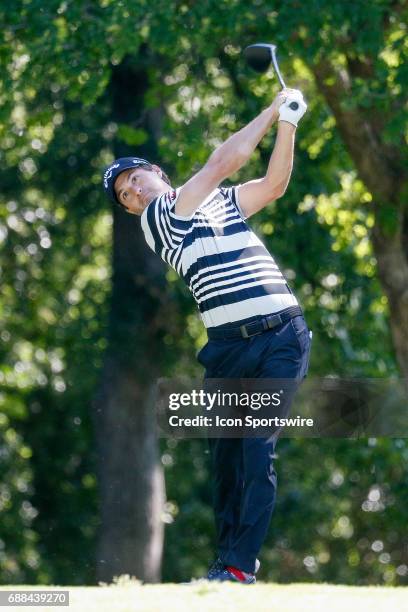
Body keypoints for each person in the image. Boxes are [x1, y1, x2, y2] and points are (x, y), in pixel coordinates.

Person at [102, 88, 312, 584]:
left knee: (256, 447)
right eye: (126, 197)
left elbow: (274, 184)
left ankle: (239, 567)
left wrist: (289, 124)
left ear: (156, 171)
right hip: (226, 351)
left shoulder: (219, 204)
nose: (135, 193)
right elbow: (222, 162)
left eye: (135, 180)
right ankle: (225, 562)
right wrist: (273, 107)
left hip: (282, 335)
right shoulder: (160, 220)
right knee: (226, 457)